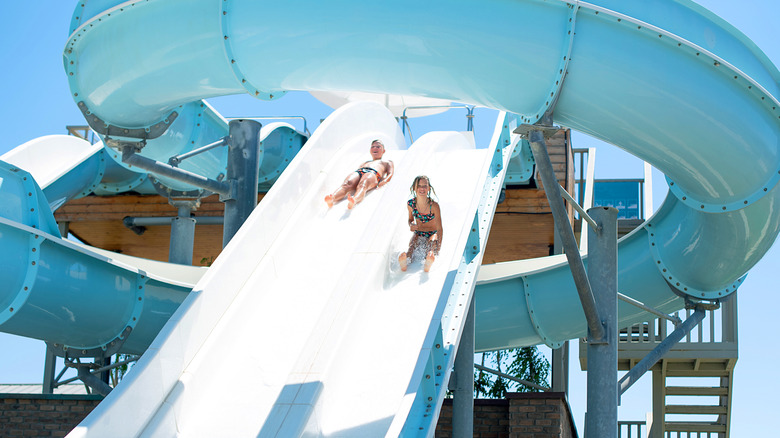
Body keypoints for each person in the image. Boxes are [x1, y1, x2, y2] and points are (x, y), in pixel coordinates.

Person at [324, 139, 395, 209]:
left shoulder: (387, 162)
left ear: (384, 151)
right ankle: (332, 198)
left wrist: (384, 181)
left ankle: (354, 200)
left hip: (373, 173)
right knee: (347, 183)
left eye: (378, 147)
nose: (375, 148)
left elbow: (390, 173)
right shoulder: (365, 162)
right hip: (360, 171)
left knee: (363, 184)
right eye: (372, 147)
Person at [399, 175, 443, 273]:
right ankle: (406, 261)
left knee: (431, 244)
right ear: (414, 188)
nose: (422, 189)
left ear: (429, 188)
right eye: (419, 186)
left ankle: (428, 262)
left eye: (424, 186)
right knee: (412, 245)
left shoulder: (434, 206)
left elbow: (439, 228)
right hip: (419, 232)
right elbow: (410, 219)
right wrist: (411, 225)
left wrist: (438, 247)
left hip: (432, 233)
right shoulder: (411, 204)